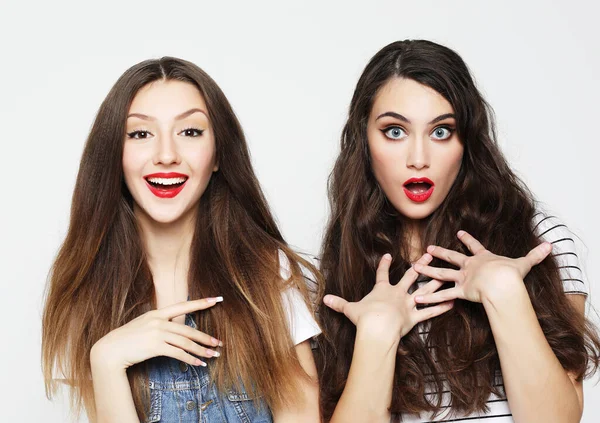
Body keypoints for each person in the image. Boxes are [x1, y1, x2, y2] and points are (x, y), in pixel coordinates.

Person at [316, 40, 600, 422]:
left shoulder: (538, 242)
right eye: (395, 131)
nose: (418, 159)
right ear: (364, 141)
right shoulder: (331, 274)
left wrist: (505, 293)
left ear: (467, 139)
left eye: (441, 131)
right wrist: (377, 336)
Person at [41, 57, 321, 423]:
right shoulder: (90, 292)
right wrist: (107, 360)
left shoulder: (266, 274)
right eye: (141, 134)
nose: (167, 155)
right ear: (114, 154)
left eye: (190, 132)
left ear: (218, 153)